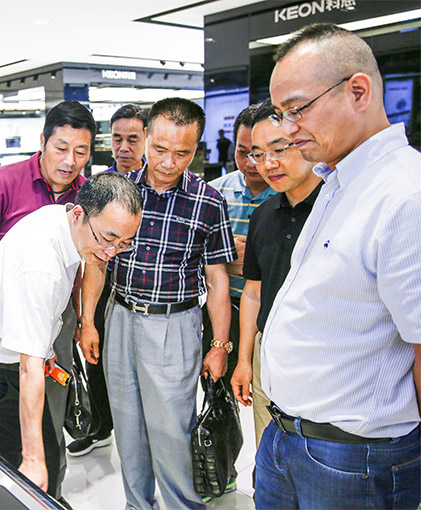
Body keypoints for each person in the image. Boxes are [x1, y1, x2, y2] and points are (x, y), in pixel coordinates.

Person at [256, 23, 421, 509]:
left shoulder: (405, 194)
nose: (288, 128)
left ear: (358, 91)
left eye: (297, 109)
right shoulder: (337, 180)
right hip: (288, 435)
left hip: (353, 457)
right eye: (281, 114)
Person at [79, 98, 237, 509]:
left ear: (197, 147)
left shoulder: (207, 201)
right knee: (127, 423)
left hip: (175, 324)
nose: (168, 162)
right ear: (146, 136)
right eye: (160, 149)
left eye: (182, 153)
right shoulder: (118, 191)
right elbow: (96, 262)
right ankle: (137, 504)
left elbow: (217, 279)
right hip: (120, 315)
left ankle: (182, 504)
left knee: (171, 429)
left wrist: (220, 345)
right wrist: (88, 321)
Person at [0, 172, 143, 498]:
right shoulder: (39, 264)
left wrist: (53, 342)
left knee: (50, 464)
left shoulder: (64, 221)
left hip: (25, 363)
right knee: (8, 484)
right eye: (107, 238)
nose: (112, 252)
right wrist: (32, 459)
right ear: (79, 214)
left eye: (124, 243)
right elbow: (27, 367)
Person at [0, 100, 95, 496]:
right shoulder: (5, 181)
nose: (70, 161)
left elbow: (89, 265)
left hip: (57, 315)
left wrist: (83, 320)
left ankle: (48, 488)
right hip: (6, 314)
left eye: (81, 151)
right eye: (61, 148)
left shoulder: (87, 194)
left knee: (50, 409)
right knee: (7, 409)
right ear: (42, 142)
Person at [229, 100, 321, 447]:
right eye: (257, 154)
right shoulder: (263, 215)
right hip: (267, 352)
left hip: (321, 358)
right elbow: (254, 291)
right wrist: (244, 360)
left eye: (279, 149)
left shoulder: (337, 207)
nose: (268, 164)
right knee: (268, 451)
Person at [200, 104, 276, 475]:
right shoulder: (216, 193)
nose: (250, 163)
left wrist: (250, 257)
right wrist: (227, 255)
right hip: (222, 309)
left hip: (270, 314)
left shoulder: (288, 196)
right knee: (218, 394)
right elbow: (200, 257)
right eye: (243, 152)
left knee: (268, 401)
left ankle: (269, 473)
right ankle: (221, 469)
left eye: (259, 153)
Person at [67, 103, 147, 458]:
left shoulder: (155, 184)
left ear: (147, 139)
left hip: (146, 296)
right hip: (102, 287)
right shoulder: (96, 187)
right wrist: (86, 317)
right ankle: (100, 426)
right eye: (117, 139)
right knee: (95, 360)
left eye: (132, 139)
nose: (123, 147)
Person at [108, 104, 148, 174]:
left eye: (132, 141)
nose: (123, 148)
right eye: (117, 140)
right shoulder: (96, 181)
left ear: (146, 137)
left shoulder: (158, 180)